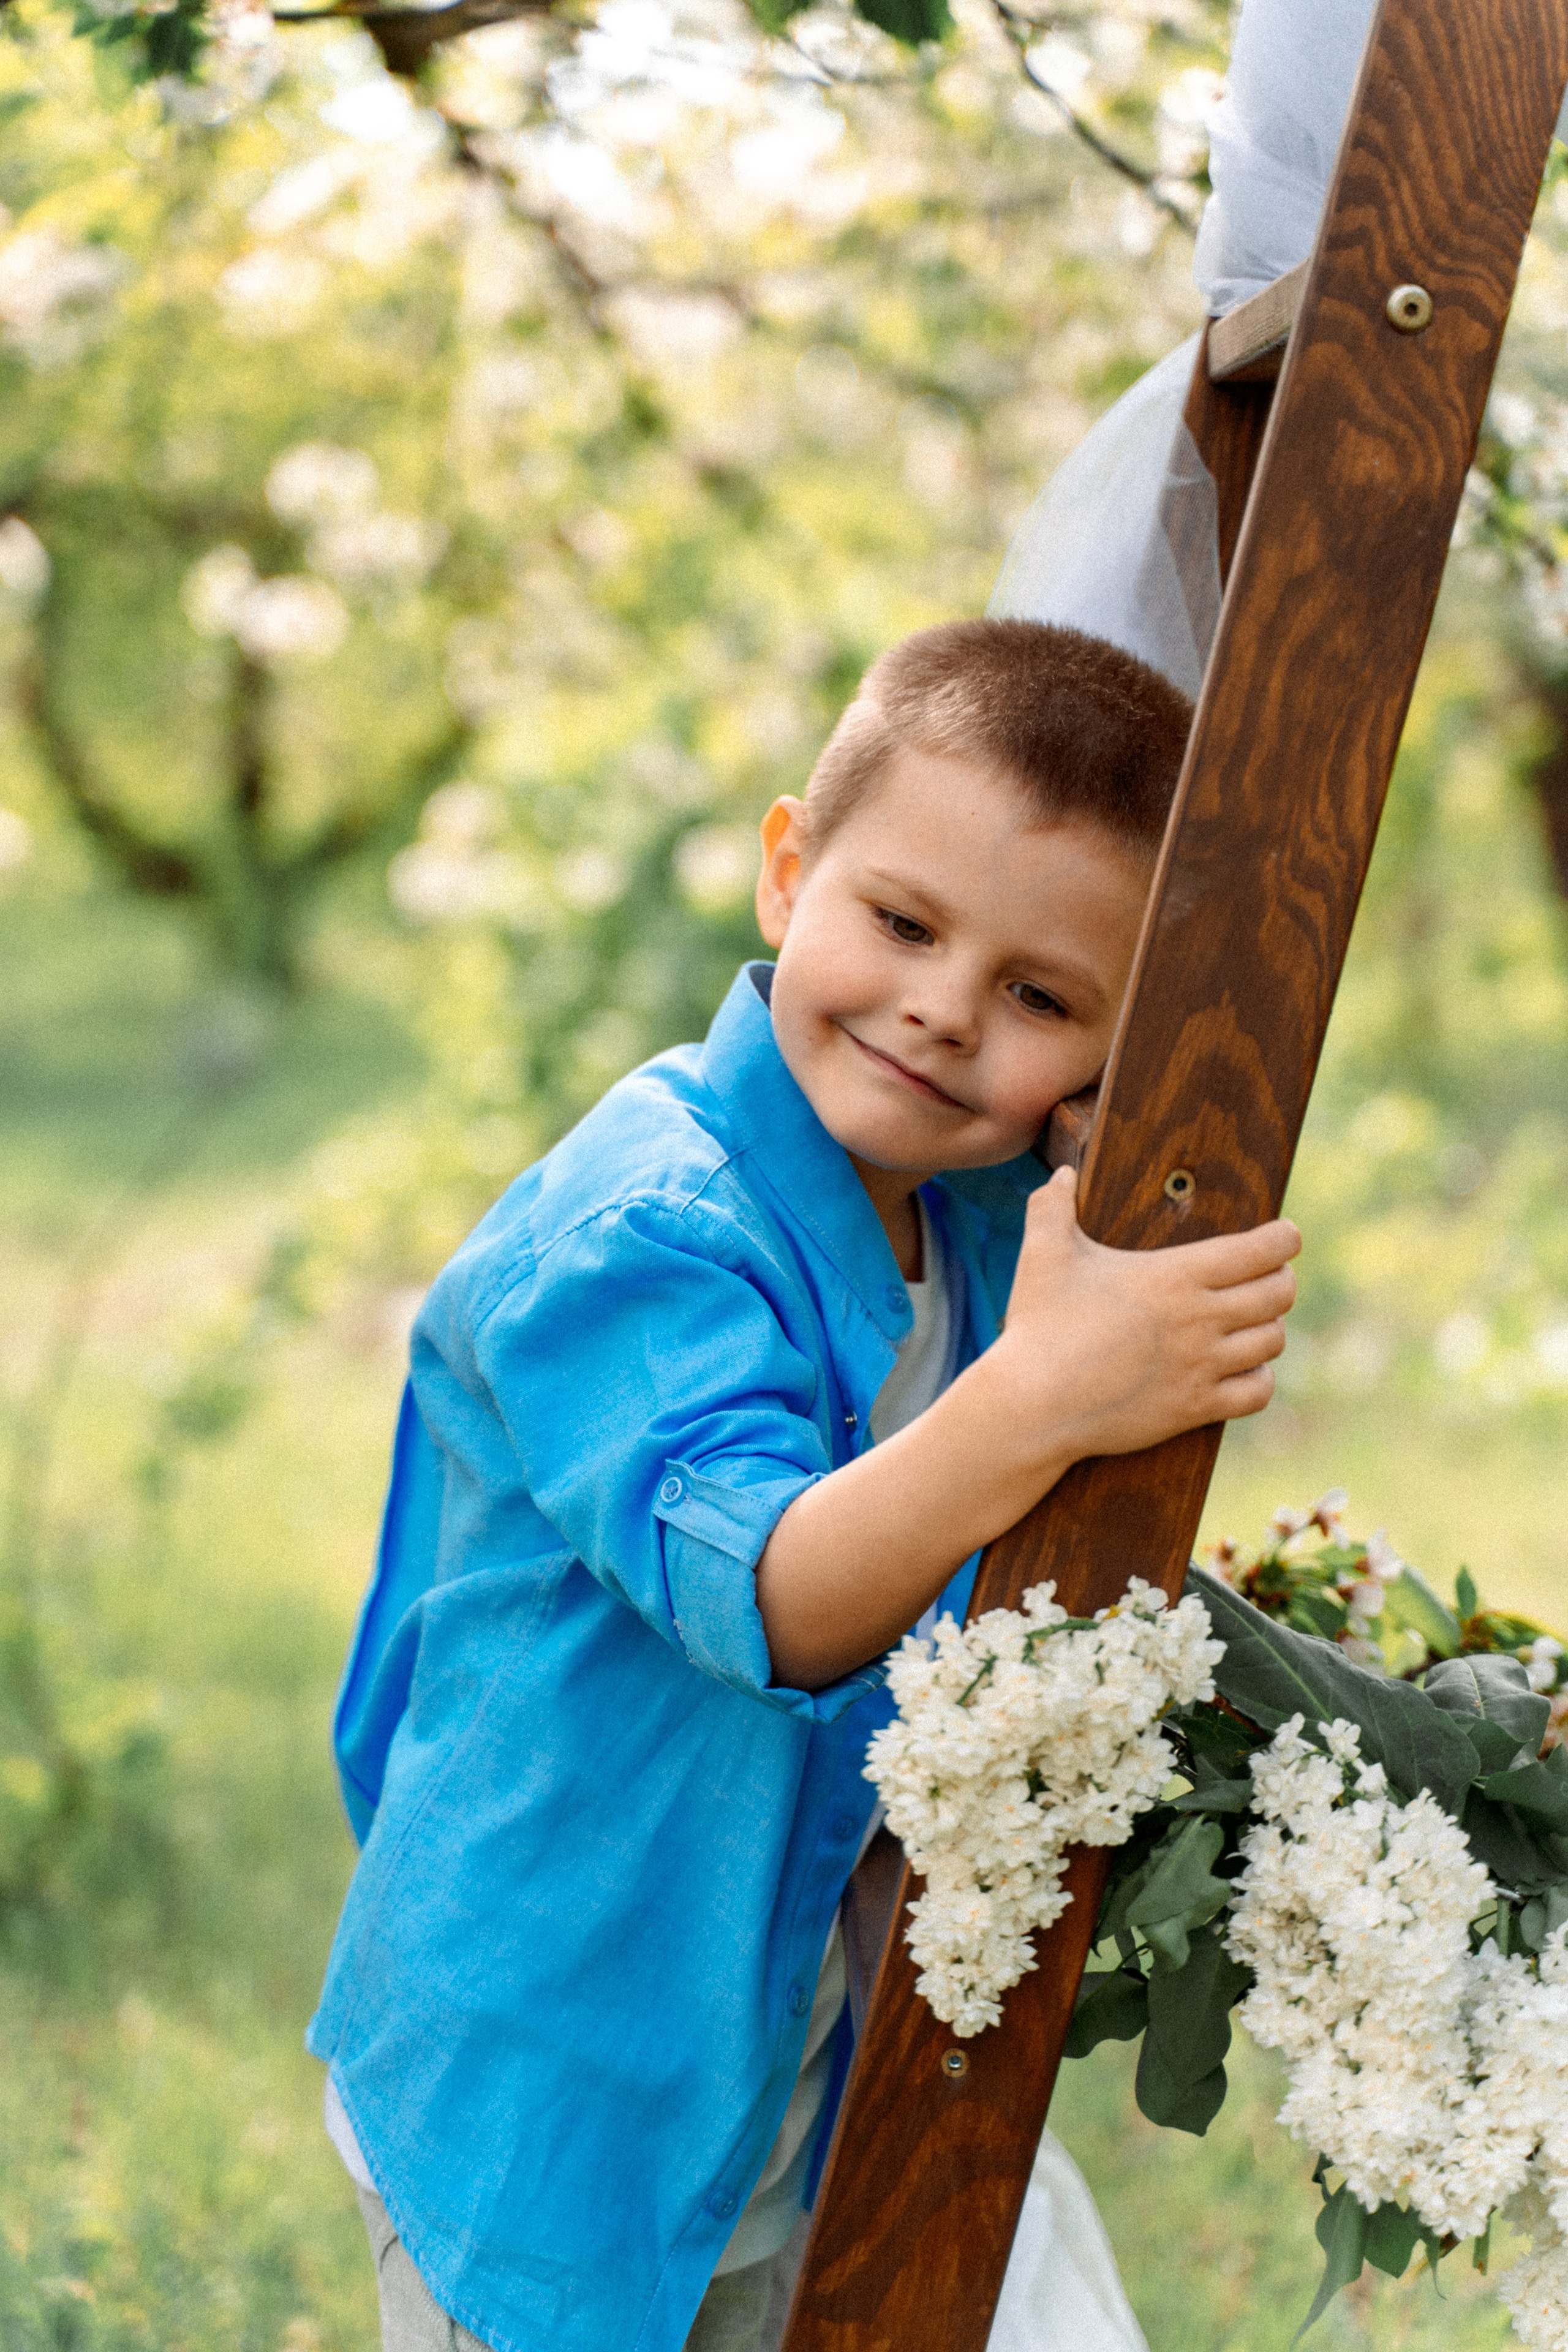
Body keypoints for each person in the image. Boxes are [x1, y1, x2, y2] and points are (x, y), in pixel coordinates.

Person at [307, 617, 1300, 2352]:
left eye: (1041, 999)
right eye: (903, 924)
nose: (943, 1008)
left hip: (778, 2037)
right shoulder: (642, 1230)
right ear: (787, 871)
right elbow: (773, 1597)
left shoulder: (976, 1233)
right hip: (558, 2068)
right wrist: (1047, 1391)